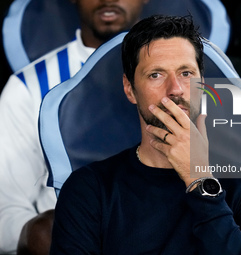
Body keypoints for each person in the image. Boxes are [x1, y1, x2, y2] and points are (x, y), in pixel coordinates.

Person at [50, 15, 241, 254]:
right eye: (156, 75)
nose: (175, 89)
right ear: (130, 89)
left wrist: (199, 180)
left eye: (186, 73)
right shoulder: (89, 189)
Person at [0, 0, 148, 253]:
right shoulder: (27, 86)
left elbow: (235, 196)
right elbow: (5, 213)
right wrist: (41, 232)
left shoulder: (203, 78)